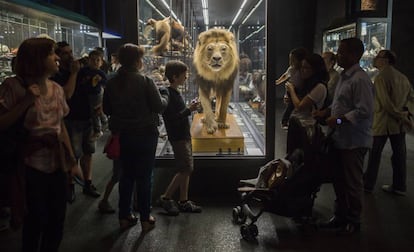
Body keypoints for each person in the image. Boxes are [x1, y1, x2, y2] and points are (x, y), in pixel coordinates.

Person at [0, 37, 75, 251]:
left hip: (57, 164)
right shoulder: (12, 86)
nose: (57, 57)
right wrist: (25, 101)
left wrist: (70, 161)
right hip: (28, 166)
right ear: (37, 59)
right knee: (34, 221)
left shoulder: (57, 89)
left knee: (56, 221)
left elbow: (60, 128)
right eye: (52, 54)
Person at [103, 43, 169, 232]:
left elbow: (107, 109)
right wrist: (165, 93)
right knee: (145, 176)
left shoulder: (111, 81)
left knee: (126, 176)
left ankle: (124, 217)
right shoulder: (145, 81)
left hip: (122, 136)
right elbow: (159, 106)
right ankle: (145, 218)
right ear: (137, 61)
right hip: (145, 136)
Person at [318, 38, 374, 235]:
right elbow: (339, 104)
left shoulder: (360, 79)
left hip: (354, 142)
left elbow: (364, 111)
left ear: (354, 55)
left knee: (352, 182)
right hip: (340, 139)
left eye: (341, 52)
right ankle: (340, 216)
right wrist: (326, 112)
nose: (337, 55)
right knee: (339, 180)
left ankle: (353, 220)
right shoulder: (344, 77)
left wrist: (339, 121)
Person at [363, 50, 414, 195]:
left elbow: (385, 103)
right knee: (399, 155)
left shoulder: (381, 78)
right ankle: (399, 186)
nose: (375, 58)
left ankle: (368, 184)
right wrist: (406, 115)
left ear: (385, 60)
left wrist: (399, 115)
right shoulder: (403, 77)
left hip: (383, 123)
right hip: (398, 125)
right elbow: (411, 98)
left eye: (378, 57)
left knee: (374, 154)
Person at [158, 60, 202, 216]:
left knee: (187, 169)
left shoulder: (174, 92)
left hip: (183, 135)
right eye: (184, 75)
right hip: (178, 137)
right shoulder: (168, 93)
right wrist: (189, 109)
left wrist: (188, 108)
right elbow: (172, 118)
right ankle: (166, 197)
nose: (186, 77)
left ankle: (183, 200)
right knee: (185, 169)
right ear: (175, 76)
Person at [285, 53, 328, 154]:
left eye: (306, 68)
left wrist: (291, 90)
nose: (302, 70)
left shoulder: (319, 87)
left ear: (315, 69)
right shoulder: (307, 84)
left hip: (306, 129)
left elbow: (300, 106)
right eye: (302, 67)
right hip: (298, 126)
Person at [78, 49, 108, 140]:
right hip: (86, 94)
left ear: (101, 62)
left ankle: (98, 129)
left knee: (95, 112)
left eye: (97, 60)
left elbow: (105, 82)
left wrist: (100, 80)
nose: (95, 62)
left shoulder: (100, 73)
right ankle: (103, 120)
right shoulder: (84, 71)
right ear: (89, 61)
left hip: (96, 94)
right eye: (92, 60)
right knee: (92, 111)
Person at [275, 47, 308, 130]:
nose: (291, 62)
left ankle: (290, 121)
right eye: (291, 59)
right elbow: (285, 75)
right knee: (290, 107)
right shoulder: (291, 69)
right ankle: (285, 121)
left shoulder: (303, 69)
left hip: (299, 90)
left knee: (294, 107)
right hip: (292, 89)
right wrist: (278, 81)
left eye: (293, 59)